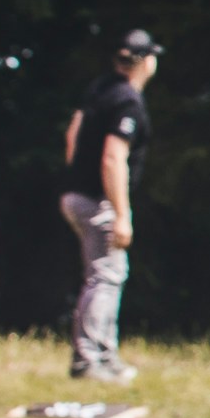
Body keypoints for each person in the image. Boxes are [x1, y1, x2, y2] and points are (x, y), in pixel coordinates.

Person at [55, 29, 158, 381]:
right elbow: (114, 158)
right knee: (105, 277)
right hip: (98, 200)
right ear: (144, 62)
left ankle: (105, 357)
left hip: (75, 194)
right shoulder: (128, 99)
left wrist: (75, 178)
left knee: (103, 275)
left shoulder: (100, 88)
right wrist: (122, 215)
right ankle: (91, 360)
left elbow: (73, 134)